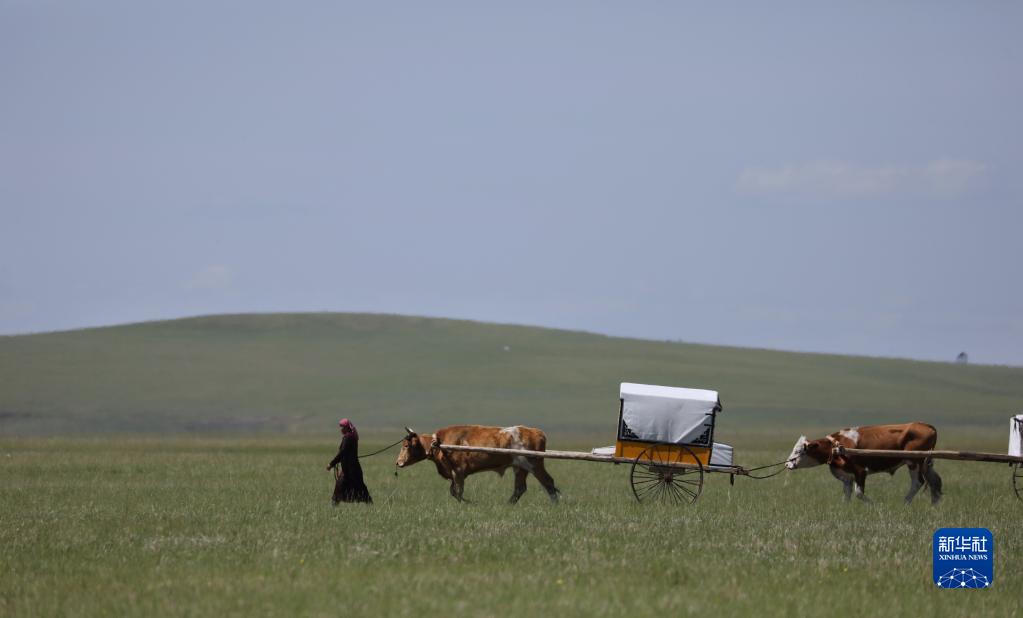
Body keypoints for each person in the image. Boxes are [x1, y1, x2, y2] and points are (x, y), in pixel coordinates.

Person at [326, 418, 373, 504]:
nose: (341, 429)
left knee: (356, 488)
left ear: (346, 428)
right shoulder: (350, 436)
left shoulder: (348, 438)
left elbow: (342, 453)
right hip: (350, 469)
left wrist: (331, 464)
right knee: (357, 488)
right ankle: (369, 504)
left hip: (351, 470)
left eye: (342, 427)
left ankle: (333, 505)